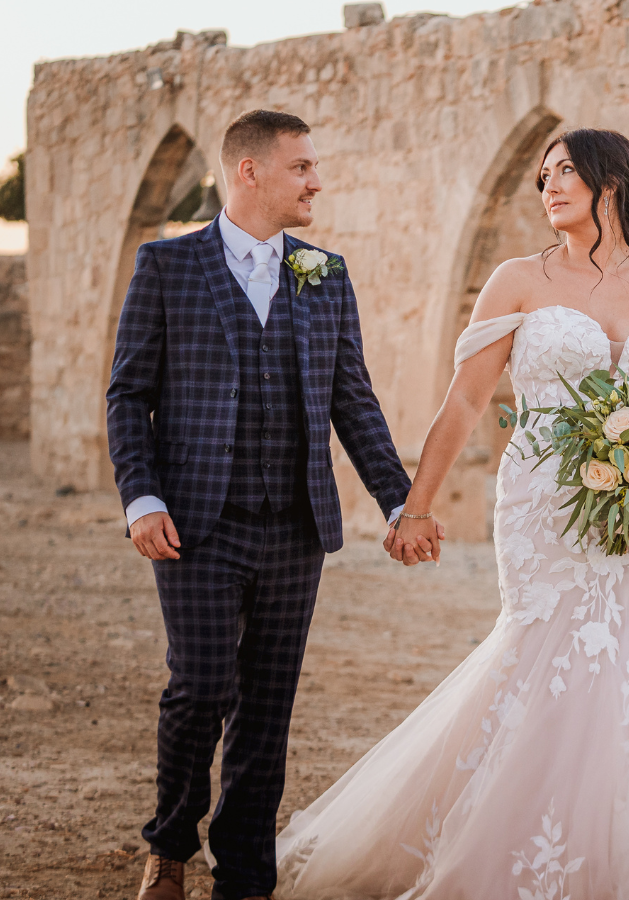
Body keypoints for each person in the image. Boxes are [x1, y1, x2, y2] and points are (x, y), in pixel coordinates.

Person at [271, 128, 629, 899]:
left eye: (566, 172)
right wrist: (415, 505)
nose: (550, 188)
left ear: (611, 182)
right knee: (548, 653)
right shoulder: (516, 280)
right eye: (543, 178)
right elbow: (466, 400)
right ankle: (517, 854)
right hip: (546, 502)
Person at [107, 109, 427, 900]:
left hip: (295, 526)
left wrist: (399, 502)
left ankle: (244, 872)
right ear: (248, 172)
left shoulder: (326, 272)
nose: (316, 181)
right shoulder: (166, 267)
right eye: (301, 168)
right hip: (192, 522)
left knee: (267, 707)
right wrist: (141, 497)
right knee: (202, 689)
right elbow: (128, 395)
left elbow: (354, 402)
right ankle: (170, 843)